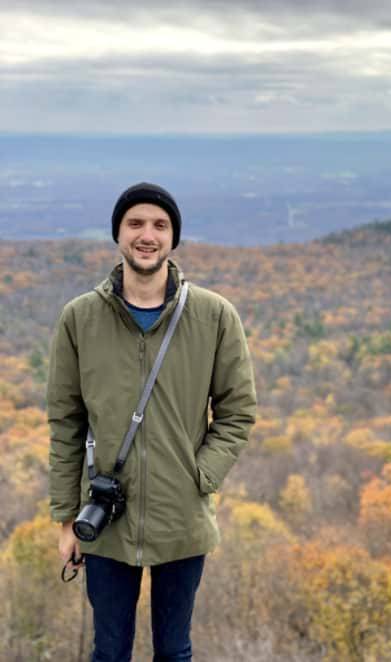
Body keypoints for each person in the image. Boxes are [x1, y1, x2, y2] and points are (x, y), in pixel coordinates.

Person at [47, 182, 257, 662]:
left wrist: (200, 476)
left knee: (174, 651)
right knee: (109, 651)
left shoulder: (214, 316)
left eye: (160, 225)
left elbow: (238, 410)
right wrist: (65, 519)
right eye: (135, 223)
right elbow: (65, 424)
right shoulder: (80, 318)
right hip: (104, 518)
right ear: (118, 234)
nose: (148, 235)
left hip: (181, 516)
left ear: (173, 238)